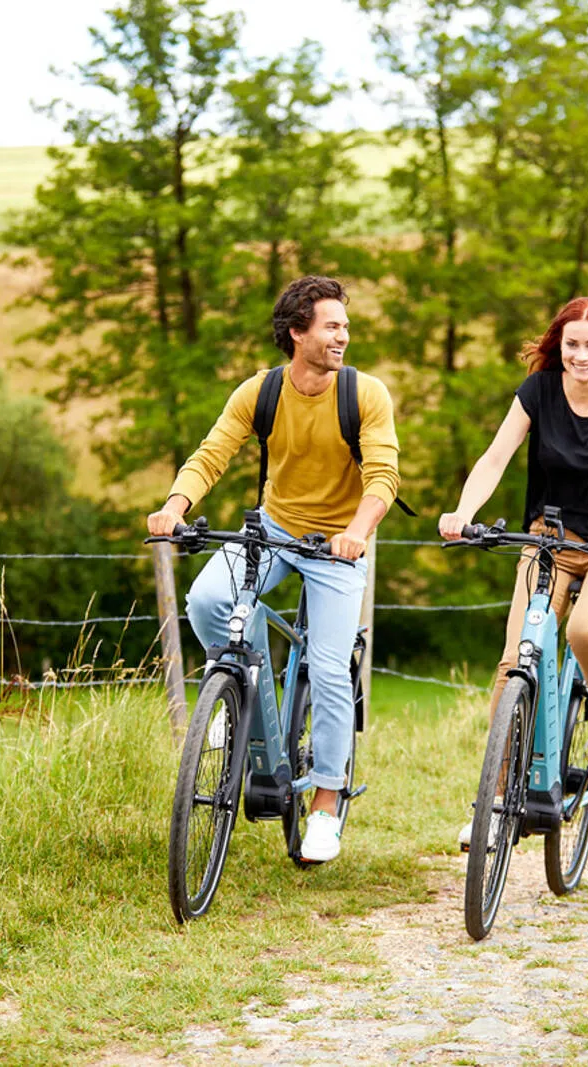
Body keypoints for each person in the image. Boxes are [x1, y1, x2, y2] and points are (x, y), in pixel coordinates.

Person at [147, 276, 401, 864]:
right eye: (332, 326)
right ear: (297, 333)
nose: (343, 335)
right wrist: (174, 507)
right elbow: (211, 454)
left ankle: (326, 806)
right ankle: (240, 695)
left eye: (344, 325)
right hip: (276, 528)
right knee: (211, 601)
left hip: (338, 543)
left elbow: (384, 475)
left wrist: (357, 533)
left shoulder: (365, 394)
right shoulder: (260, 392)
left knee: (332, 669)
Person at [438, 296, 588, 847]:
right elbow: (495, 458)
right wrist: (463, 513)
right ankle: (491, 805)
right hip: (549, 539)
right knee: (516, 661)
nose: (581, 355)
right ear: (557, 346)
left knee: (587, 630)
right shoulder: (538, 391)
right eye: (572, 344)